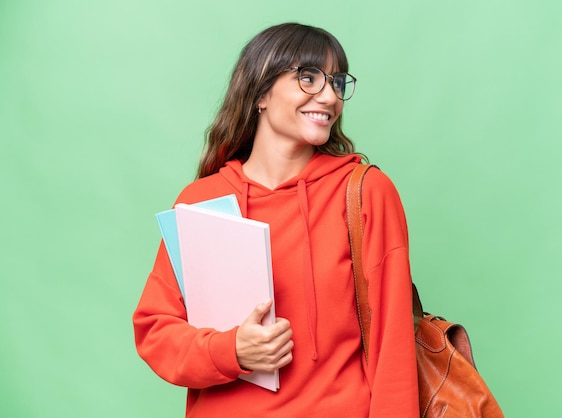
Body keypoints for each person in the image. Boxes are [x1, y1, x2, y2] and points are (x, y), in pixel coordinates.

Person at [133, 22, 418, 417]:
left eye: (336, 82)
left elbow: (394, 345)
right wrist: (232, 350)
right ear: (261, 93)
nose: (330, 95)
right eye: (308, 77)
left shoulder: (365, 192)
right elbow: (156, 332)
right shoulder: (202, 200)